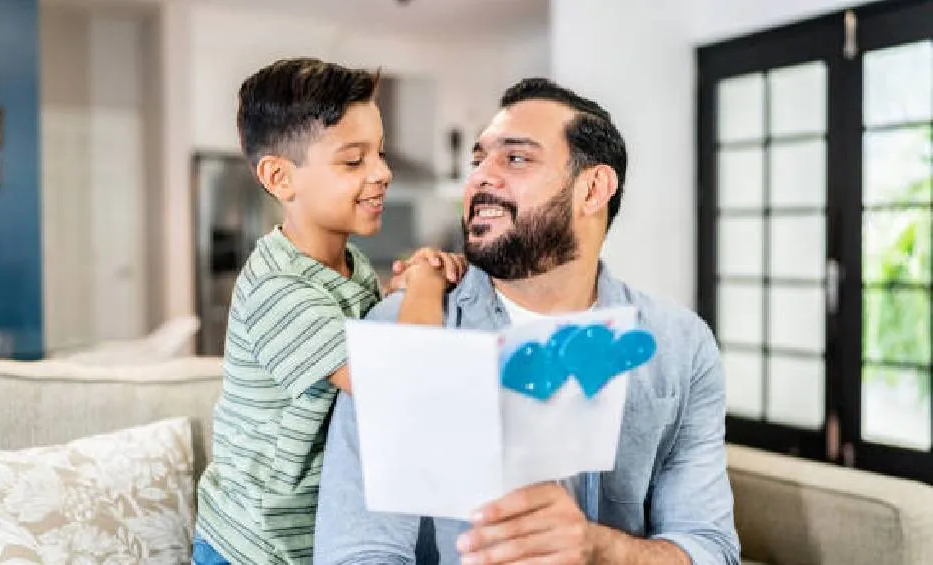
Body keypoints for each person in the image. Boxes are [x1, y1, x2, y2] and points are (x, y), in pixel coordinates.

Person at [314, 78, 741, 565]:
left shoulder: (679, 344)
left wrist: (599, 549)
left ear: (593, 189)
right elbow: (356, 553)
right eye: (478, 161)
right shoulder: (403, 328)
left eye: (515, 158)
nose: (479, 178)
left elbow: (710, 548)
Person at [194, 58, 464, 565]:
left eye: (380, 154)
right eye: (352, 161)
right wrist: (424, 288)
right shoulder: (278, 289)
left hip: (317, 535)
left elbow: (365, 345)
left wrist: (401, 290)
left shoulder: (348, 263)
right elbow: (402, 382)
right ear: (279, 176)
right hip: (252, 549)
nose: (382, 173)